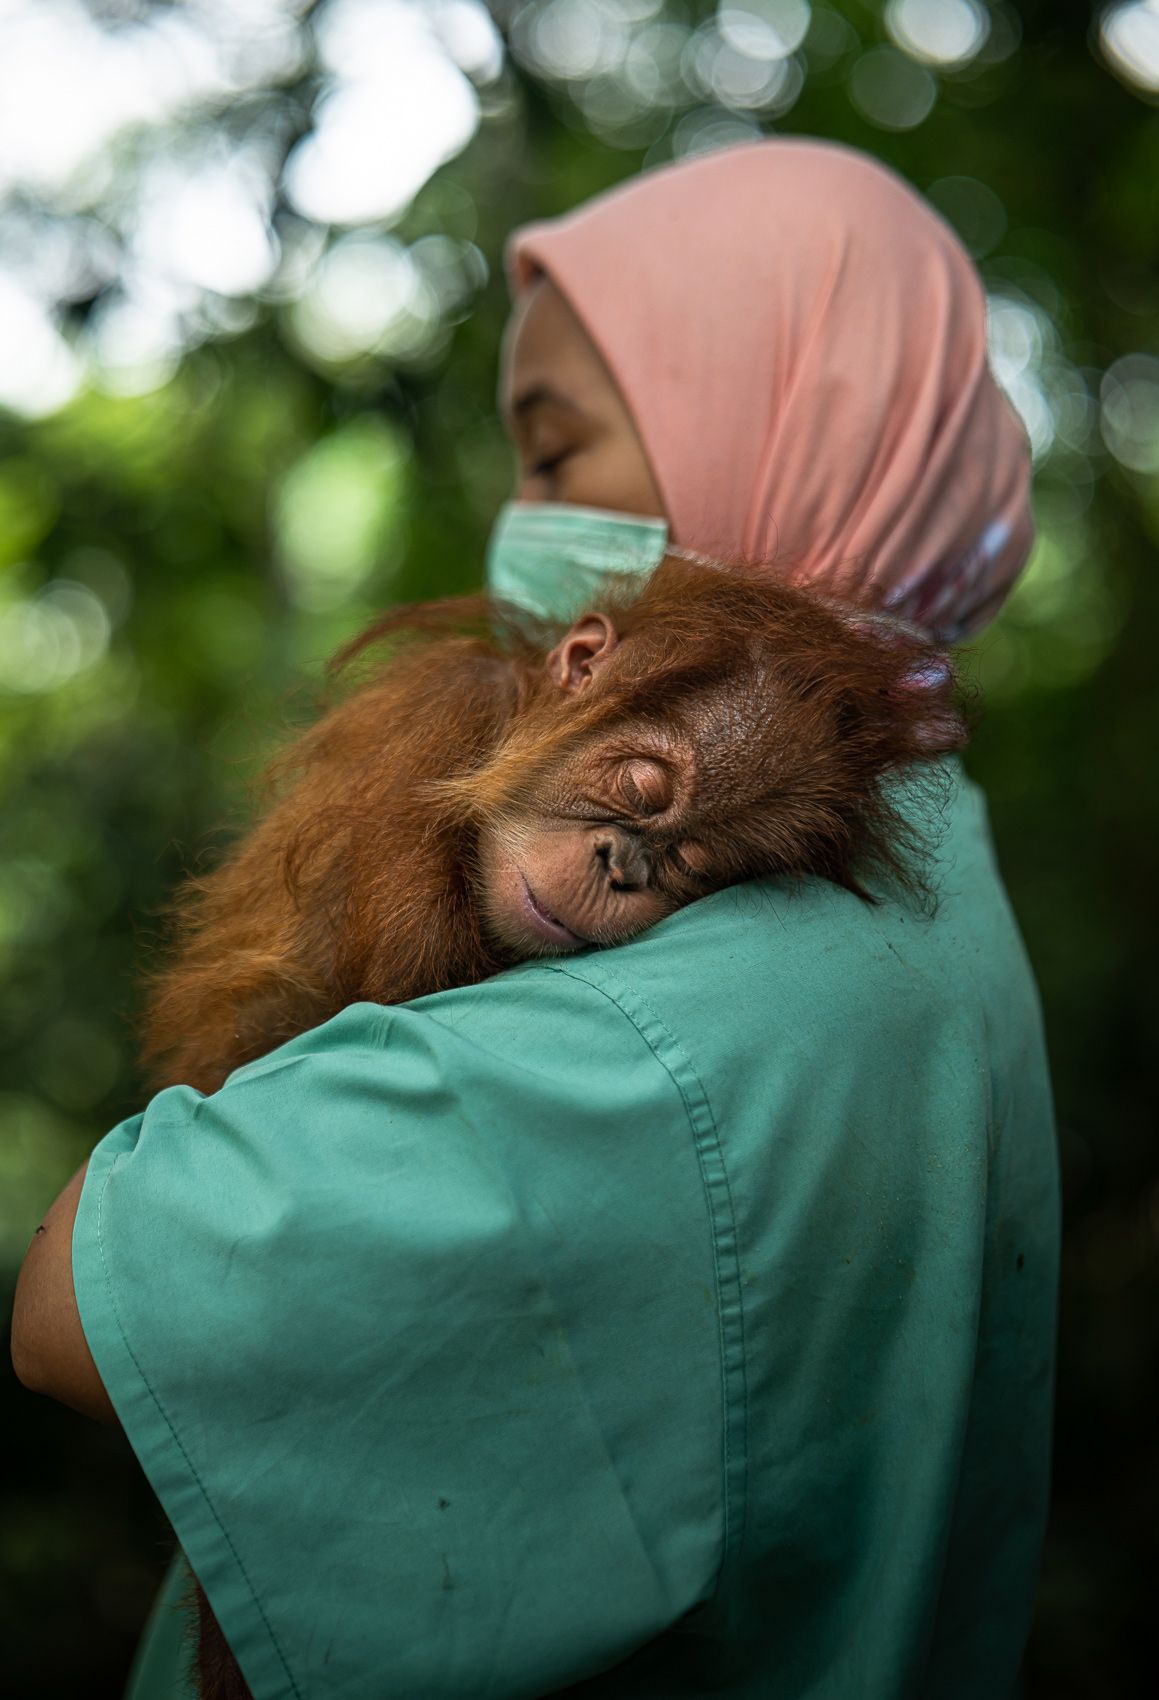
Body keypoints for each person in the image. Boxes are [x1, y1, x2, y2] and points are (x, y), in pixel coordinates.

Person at [12, 139, 1059, 1700]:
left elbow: (72, 1302)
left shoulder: (677, 1041)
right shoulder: (934, 834)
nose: (526, 520)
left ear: (774, 440)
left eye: (558, 458)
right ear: (580, 668)